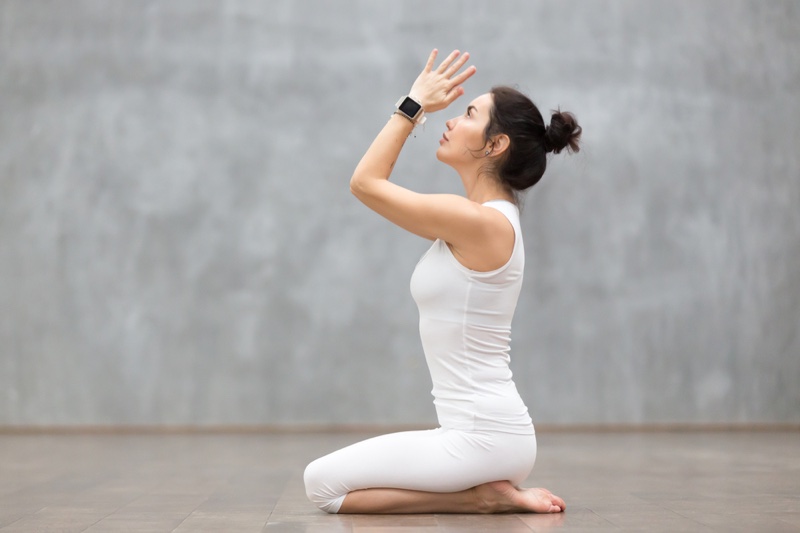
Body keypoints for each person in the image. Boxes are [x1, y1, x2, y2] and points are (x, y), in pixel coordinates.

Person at [304, 49, 581, 514]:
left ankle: (478, 498)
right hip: (478, 433)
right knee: (325, 485)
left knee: (322, 485)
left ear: (495, 146)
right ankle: (479, 492)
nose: (452, 119)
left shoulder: (479, 222)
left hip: (484, 436)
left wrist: (412, 105)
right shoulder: (479, 220)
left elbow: (364, 182)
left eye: (470, 113)